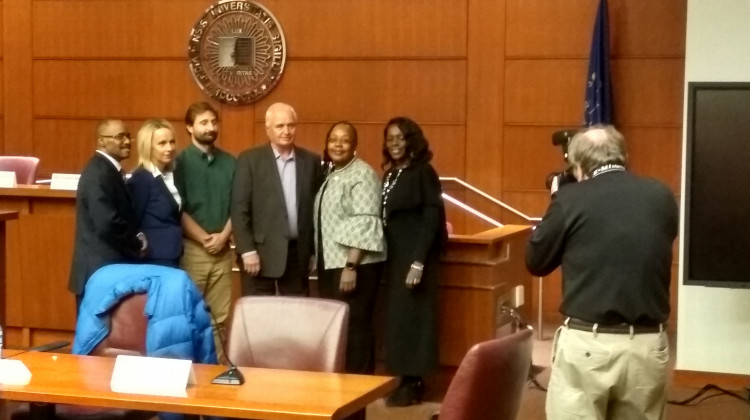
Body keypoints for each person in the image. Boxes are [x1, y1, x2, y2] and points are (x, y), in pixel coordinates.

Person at [525, 125, 678, 420]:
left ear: (578, 165)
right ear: (625, 156)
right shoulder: (661, 196)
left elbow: (536, 261)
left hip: (588, 345)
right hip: (648, 347)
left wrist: (556, 202)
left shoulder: (569, 200)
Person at [380, 117, 447, 407]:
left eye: (400, 138)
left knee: (414, 320)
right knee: (399, 320)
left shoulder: (423, 173)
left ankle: (415, 382)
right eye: (390, 138)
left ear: (412, 140)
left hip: (415, 257)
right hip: (395, 257)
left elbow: (432, 219)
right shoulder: (391, 174)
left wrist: (418, 261)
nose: (394, 143)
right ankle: (403, 379)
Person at [313, 121, 385, 379]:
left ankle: (360, 386)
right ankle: (344, 384)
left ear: (354, 145)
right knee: (340, 326)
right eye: (333, 139)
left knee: (355, 327)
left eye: (344, 140)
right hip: (332, 263)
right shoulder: (333, 174)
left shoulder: (362, 174)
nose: (338, 144)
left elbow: (366, 221)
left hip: (355, 265)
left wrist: (351, 265)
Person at [231, 102, 323, 296]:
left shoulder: (311, 161)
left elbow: (316, 211)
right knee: (258, 317)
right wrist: (247, 250)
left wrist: (313, 252)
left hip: (297, 256)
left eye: (291, 125)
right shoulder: (249, 160)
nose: (286, 131)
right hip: (259, 255)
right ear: (268, 129)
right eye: (280, 126)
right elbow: (239, 209)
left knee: (295, 317)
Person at [174, 102, 236, 364]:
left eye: (213, 122)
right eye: (203, 123)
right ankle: (189, 376)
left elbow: (239, 205)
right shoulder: (178, 162)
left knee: (219, 320)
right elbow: (177, 208)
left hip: (223, 252)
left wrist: (223, 237)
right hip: (192, 251)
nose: (210, 128)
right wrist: (204, 239)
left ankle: (215, 377)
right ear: (189, 127)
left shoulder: (231, 162)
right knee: (187, 316)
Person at [69, 119, 146, 307]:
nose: (127, 142)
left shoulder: (108, 170)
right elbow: (107, 223)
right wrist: (137, 243)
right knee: (96, 334)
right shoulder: (99, 173)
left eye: (128, 136)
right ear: (101, 141)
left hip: (106, 270)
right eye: (120, 137)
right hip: (99, 272)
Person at [128, 119, 182, 267]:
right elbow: (133, 220)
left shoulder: (171, 174)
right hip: (152, 257)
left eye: (172, 142)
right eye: (162, 143)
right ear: (148, 147)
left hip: (172, 254)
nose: (169, 148)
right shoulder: (141, 178)